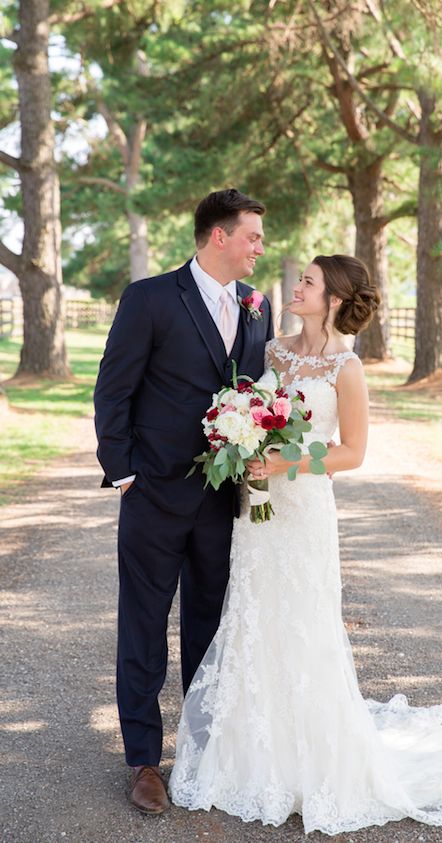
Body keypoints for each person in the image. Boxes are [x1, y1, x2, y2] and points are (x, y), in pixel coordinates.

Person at [168, 254, 442, 834]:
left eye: (307, 282)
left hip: (304, 511)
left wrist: (284, 460)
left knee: (302, 623)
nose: (296, 286)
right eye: (300, 280)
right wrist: (241, 447)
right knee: (253, 617)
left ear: (334, 299)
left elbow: (350, 453)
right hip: (255, 510)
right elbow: (242, 410)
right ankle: (250, 758)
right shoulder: (270, 351)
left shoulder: (346, 368)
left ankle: (313, 763)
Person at [93, 188, 273, 815]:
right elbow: (113, 387)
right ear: (218, 237)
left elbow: (253, 392)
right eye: (252, 235)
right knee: (143, 626)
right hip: (154, 491)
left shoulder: (258, 306)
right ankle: (143, 759)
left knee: (211, 622)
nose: (260, 246)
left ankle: (201, 749)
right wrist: (123, 472)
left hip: (223, 500)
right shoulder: (149, 298)